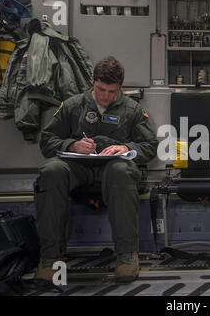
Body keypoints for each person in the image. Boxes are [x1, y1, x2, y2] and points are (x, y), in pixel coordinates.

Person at [34, 56, 159, 283]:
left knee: (121, 172)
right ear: (93, 80)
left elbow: (150, 146)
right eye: (101, 89)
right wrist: (71, 145)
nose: (105, 96)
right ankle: (50, 259)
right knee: (51, 172)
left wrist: (126, 147)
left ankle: (127, 256)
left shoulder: (132, 110)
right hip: (77, 167)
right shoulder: (73, 106)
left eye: (112, 91)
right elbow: (47, 140)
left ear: (120, 86)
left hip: (112, 169)